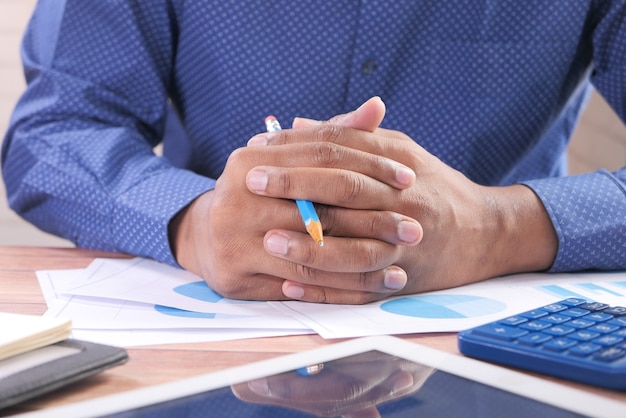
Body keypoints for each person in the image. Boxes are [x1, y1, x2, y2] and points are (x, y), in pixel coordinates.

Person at [2, 1, 625, 305]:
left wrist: (495, 229)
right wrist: (193, 223)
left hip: (499, 349)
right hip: (220, 338)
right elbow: (57, 128)